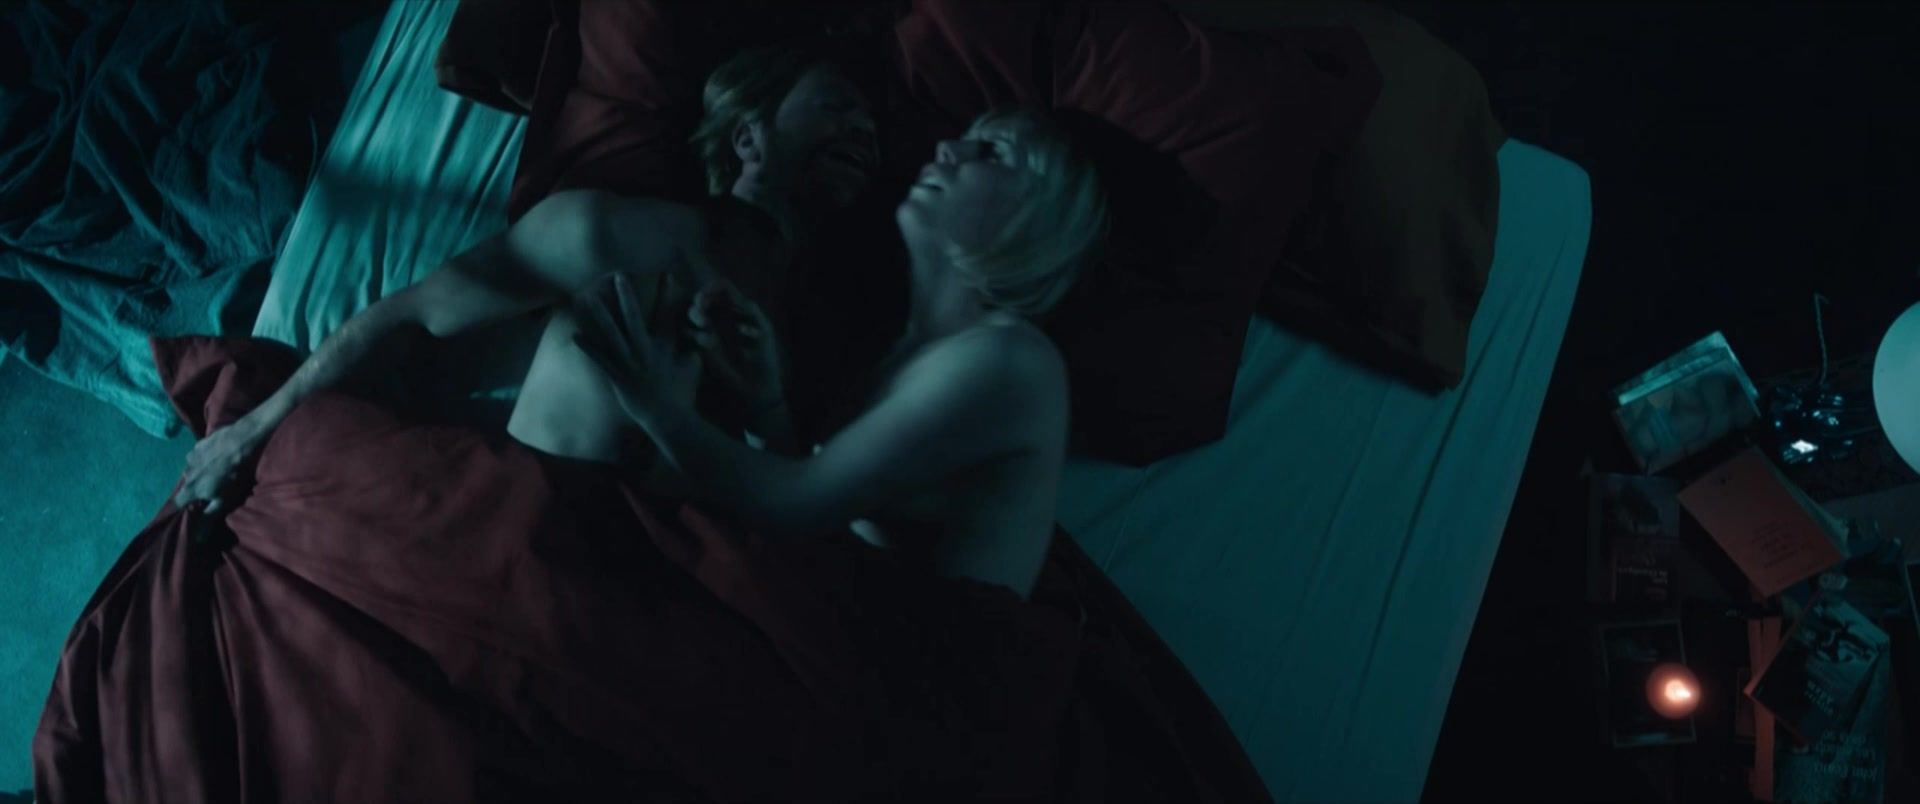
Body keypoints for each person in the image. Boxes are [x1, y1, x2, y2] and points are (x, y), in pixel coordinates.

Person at [172, 40, 880, 510]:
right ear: (748, 136)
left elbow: (815, 520)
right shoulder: (612, 235)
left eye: (871, 131)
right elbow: (416, 316)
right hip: (526, 552)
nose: (862, 132)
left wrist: (765, 411)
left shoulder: (843, 331)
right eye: (837, 107)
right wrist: (254, 429)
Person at [574, 107, 1107, 599]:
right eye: (966, 139)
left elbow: (796, 505)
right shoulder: (903, 347)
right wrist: (766, 401)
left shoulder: (1013, 360)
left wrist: (657, 406)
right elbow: (837, 517)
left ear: (1043, 220)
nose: (948, 148)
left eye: (991, 153)